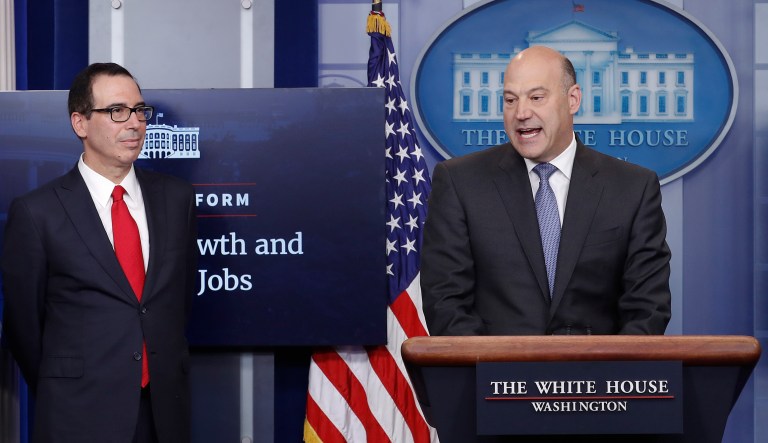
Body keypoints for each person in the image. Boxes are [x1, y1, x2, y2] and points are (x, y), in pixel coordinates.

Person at [1, 63, 197, 442]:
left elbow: (177, 302)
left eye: (140, 110)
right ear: (80, 123)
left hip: (163, 413)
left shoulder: (177, 199)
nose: (135, 123)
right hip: (78, 414)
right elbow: (24, 327)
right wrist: (68, 380)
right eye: (117, 111)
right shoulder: (37, 212)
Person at [421, 46, 671, 336]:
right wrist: (497, 376)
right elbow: (446, 303)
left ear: (573, 99)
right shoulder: (459, 182)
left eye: (536, 98)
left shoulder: (633, 188)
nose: (521, 113)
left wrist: (605, 376)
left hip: (599, 377)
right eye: (510, 100)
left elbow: (647, 308)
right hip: (495, 376)